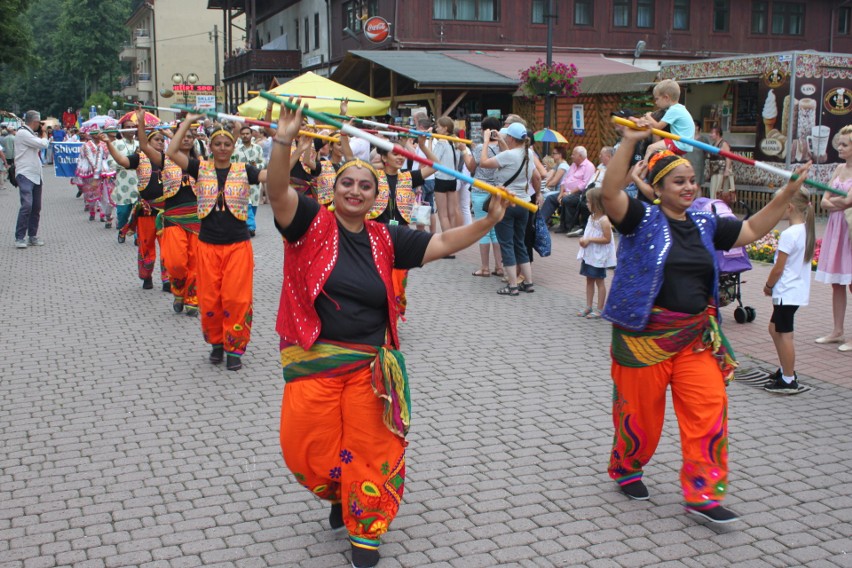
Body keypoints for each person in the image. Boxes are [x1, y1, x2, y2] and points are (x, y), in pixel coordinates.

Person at [268, 101, 510, 568]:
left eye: (365, 186)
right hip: (313, 360)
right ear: (333, 188)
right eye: (347, 183)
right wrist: (284, 141)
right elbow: (278, 191)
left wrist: (487, 223)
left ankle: (367, 528)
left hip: (371, 365)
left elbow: (439, 243)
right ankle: (341, 491)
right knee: (306, 452)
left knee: (374, 446)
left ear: (376, 195)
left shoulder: (385, 238)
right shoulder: (308, 224)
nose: (355, 191)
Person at [600, 116, 812, 524]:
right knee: (640, 416)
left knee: (708, 411)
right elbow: (610, 192)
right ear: (658, 188)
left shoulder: (706, 222)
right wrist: (630, 141)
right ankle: (627, 466)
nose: (689, 187)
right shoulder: (639, 220)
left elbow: (750, 229)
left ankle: (702, 494)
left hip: (696, 336)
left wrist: (786, 194)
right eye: (678, 182)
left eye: (691, 181)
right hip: (643, 337)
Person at [167, 114, 268, 371]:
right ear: (210, 147)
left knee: (237, 299)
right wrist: (187, 123)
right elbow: (171, 150)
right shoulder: (200, 168)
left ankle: (235, 347)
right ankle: (216, 344)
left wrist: (287, 143)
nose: (222, 148)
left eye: (227, 144)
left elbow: (273, 174)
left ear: (233, 148)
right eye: (217, 144)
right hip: (208, 245)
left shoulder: (245, 170)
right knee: (210, 299)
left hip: (237, 246)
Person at [134, 110, 201, 316]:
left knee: (195, 261)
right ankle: (178, 289)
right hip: (172, 217)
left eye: (190, 136)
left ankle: (192, 299)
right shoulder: (165, 159)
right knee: (175, 261)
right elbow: (145, 146)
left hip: (197, 217)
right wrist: (142, 123)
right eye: (183, 136)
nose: (187, 139)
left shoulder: (201, 163)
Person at [104, 125, 171, 291]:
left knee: (168, 248)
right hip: (146, 211)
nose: (161, 143)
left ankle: (167, 280)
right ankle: (146, 276)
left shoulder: (169, 159)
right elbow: (121, 161)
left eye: (163, 141)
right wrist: (108, 143)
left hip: (166, 212)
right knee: (146, 245)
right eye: (157, 140)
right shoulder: (140, 158)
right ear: (147, 142)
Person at [478, 122, 540, 295]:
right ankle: (528, 282)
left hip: (506, 203)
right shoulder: (528, 152)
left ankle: (512, 285)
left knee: (506, 243)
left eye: (506, 137)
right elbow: (510, 155)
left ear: (511, 138)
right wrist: (501, 142)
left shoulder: (510, 155)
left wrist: (485, 141)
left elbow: (483, 162)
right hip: (524, 203)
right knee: (519, 243)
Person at [763, 186, 815, 393]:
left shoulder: (789, 233)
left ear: (790, 207)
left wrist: (768, 286)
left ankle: (788, 378)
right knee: (774, 329)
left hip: (786, 291)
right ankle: (786, 368)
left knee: (785, 335)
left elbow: (778, 268)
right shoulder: (804, 229)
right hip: (794, 291)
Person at [814, 124, 852, 352]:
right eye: (840, 143)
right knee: (837, 284)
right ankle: (837, 331)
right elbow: (823, 201)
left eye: (845, 144)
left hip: (850, 229)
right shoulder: (838, 169)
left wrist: (837, 202)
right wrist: (839, 202)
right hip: (837, 228)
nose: (840, 147)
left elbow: (847, 202)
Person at [461, 115, 504, 276]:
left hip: (480, 191)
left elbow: (471, 167)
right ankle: (499, 266)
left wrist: (465, 152)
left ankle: (485, 267)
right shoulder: (503, 148)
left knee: (483, 229)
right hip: (496, 192)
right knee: (495, 230)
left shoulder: (480, 148)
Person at [576, 187, 615, 319]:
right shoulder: (591, 217)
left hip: (598, 256)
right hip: (590, 254)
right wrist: (583, 241)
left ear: (596, 203)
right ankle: (588, 306)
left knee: (599, 281)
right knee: (589, 279)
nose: (586, 204)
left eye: (588, 201)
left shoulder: (604, 220)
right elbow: (588, 233)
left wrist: (589, 240)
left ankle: (600, 308)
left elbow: (607, 239)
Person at [13, 111, 50, 249]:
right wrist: (45, 133)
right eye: (39, 123)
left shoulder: (29, 133)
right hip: (25, 174)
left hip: (36, 175)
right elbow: (44, 144)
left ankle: (32, 236)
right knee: (27, 205)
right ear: (35, 121)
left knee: (36, 207)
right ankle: (20, 237)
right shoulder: (23, 133)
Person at [642, 79, 695, 160]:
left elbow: (657, 127)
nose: (655, 102)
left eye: (657, 99)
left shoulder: (673, 110)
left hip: (679, 144)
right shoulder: (680, 108)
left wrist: (648, 115)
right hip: (684, 144)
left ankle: (642, 169)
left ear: (666, 97)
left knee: (651, 148)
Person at [550, 146, 595, 235]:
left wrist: (569, 193)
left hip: (579, 193)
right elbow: (565, 180)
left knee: (567, 199)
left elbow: (584, 184)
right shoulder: (573, 165)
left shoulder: (589, 166)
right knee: (551, 198)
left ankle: (568, 226)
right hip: (565, 191)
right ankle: (543, 221)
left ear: (580, 156)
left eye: (573, 154)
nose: (571, 156)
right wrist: (561, 192)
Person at [232, 125, 266, 237]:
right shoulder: (236, 149)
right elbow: (231, 163)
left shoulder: (257, 148)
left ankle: (249, 224)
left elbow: (263, 162)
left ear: (251, 135)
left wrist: (257, 165)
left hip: (254, 181)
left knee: (254, 205)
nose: (245, 136)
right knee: (246, 204)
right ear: (240, 135)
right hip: (240, 180)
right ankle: (249, 226)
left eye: (247, 133)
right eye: (243, 134)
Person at [430, 117, 462, 232]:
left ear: (445, 128)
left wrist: (429, 142)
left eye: (438, 126)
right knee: (452, 213)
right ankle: (453, 238)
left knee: (443, 215)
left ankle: (447, 240)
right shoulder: (456, 141)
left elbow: (433, 160)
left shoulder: (442, 142)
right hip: (452, 178)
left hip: (441, 178)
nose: (436, 129)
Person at [108, 131, 139, 242]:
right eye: (128, 127)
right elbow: (110, 162)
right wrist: (127, 162)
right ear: (122, 129)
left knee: (139, 212)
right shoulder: (116, 144)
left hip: (139, 182)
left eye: (132, 127)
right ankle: (122, 230)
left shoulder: (140, 144)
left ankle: (137, 236)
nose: (130, 129)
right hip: (123, 183)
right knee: (123, 212)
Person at [706, 127, 734, 203]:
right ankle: (714, 205)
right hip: (714, 171)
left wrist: (727, 170)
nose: (710, 135)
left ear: (718, 134)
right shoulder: (713, 144)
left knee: (720, 190)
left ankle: (720, 207)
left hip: (722, 171)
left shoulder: (724, 143)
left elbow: (728, 157)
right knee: (713, 190)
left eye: (712, 133)